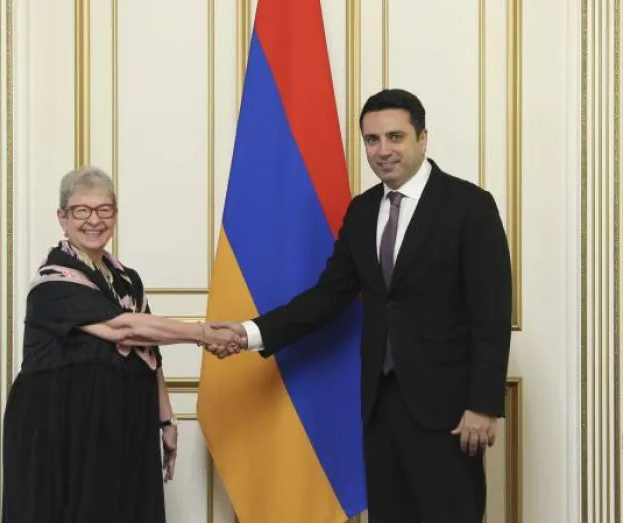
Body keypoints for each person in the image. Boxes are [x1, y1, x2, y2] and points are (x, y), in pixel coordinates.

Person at [208, 89, 512, 523]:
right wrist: (249, 333)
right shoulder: (363, 210)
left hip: (449, 412)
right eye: (372, 139)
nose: (383, 150)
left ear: (423, 138)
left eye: (395, 137)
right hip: (379, 408)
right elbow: (329, 295)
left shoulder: (469, 206)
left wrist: (483, 405)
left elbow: (491, 313)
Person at [2, 166, 240, 523]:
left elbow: (149, 352)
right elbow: (124, 330)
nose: (93, 220)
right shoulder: (52, 281)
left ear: (115, 215)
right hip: (59, 426)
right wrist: (203, 333)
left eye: (104, 209)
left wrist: (166, 418)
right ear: (62, 218)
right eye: (81, 210)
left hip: (119, 420)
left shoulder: (127, 280)